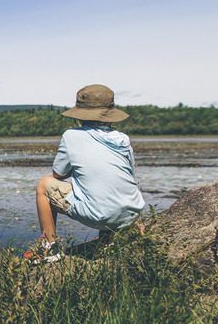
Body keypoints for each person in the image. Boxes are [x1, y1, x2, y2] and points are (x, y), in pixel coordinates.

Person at [24, 84, 145, 263]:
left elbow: (57, 175)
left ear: (81, 115)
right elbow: (129, 177)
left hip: (99, 215)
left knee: (44, 184)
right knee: (104, 188)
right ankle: (112, 236)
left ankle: (49, 247)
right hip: (131, 212)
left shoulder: (71, 136)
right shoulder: (123, 139)